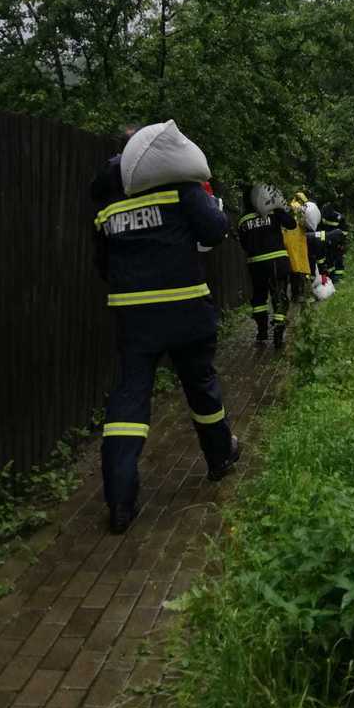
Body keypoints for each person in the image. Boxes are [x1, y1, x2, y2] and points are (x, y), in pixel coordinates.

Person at [91, 121, 239, 534]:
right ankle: (219, 458)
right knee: (200, 386)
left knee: (129, 399)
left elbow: (101, 264)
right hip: (185, 309)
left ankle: (120, 501)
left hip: (133, 317)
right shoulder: (181, 187)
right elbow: (215, 230)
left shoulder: (107, 202)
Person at [237, 185, 296, 348]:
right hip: (277, 262)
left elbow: (243, 244)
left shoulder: (242, 219)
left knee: (259, 299)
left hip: (256, 265)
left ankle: (262, 331)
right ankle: (278, 330)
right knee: (280, 296)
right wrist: (279, 207)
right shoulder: (273, 212)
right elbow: (292, 225)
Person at [320, 201, 348, 282]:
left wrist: (341, 243)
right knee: (329, 257)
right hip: (328, 240)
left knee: (338, 257)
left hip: (337, 241)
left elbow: (344, 232)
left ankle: (339, 275)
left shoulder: (339, 217)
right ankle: (331, 275)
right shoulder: (324, 216)